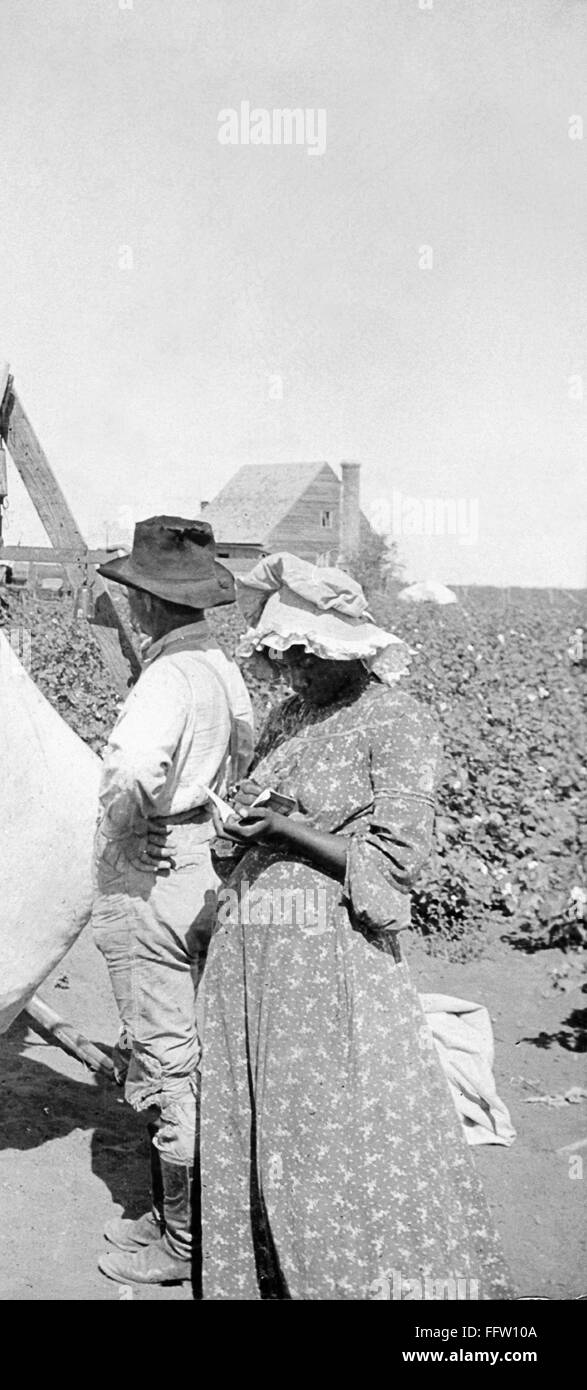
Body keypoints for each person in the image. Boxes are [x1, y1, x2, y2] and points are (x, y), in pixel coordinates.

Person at [198, 552, 512, 1299]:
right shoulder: (292, 714)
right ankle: (265, 1274)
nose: (291, 673)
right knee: (260, 1115)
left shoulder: (396, 721)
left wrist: (286, 833)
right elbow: (256, 806)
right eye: (282, 658)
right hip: (253, 947)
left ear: (345, 650)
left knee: (329, 1128)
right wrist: (239, 821)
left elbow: (393, 862)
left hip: (327, 958)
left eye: (303, 658)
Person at [89, 517, 255, 1286]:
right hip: (205, 868)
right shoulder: (221, 670)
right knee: (201, 1048)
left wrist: (127, 839)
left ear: (149, 605)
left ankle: (185, 1245)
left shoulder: (164, 679)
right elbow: (245, 754)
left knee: (166, 1060)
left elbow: (128, 773)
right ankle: (189, 1217)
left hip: (157, 873)